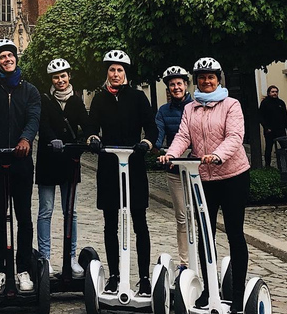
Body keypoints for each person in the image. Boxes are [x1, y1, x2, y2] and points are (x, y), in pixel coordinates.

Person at [159, 57, 249, 313]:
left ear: (218, 79)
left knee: (234, 233)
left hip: (233, 176)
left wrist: (219, 155)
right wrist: (171, 155)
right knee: (205, 235)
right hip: (205, 180)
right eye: (202, 77)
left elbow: (234, 136)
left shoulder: (232, 105)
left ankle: (239, 295)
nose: (206, 81)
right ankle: (210, 290)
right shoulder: (191, 108)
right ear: (196, 80)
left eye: (210, 77)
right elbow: (183, 136)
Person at [85, 50, 157, 296]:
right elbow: (92, 127)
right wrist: (93, 139)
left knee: (140, 221)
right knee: (110, 223)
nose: (115, 74)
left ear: (126, 74)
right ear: (107, 72)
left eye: (120, 70)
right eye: (112, 70)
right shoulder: (99, 98)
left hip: (133, 164)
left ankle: (145, 278)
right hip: (108, 165)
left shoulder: (138, 98)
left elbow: (151, 127)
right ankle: (114, 275)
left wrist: (147, 144)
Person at [0, 39, 41, 293]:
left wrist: (26, 139)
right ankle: (0, 270)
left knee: (24, 217)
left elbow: (33, 118)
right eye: (2, 57)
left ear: (15, 59)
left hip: (21, 161)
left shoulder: (30, 91)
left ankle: (23, 269)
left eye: (10, 55)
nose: (7, 59)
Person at [35, 58, 88, 277]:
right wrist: (52, 139)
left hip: (69, 162)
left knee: (71, 212)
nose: (60, 80)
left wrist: (86, 142)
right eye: (56, 77)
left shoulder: (76, 101)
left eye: (63, 76)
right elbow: (42, 124)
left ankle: (71, 257)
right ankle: (45, 258)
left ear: (69, 77)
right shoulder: (44, 100)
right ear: (51, 79)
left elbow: (87, 125)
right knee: (46, 210)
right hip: (48, 160)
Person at [155, 66, 193, 271]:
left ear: (186, 85)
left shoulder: (197, 106)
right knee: (182, 217)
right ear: (168, 88)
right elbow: (159, 135)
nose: (176, 87)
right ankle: (185, 262)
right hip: (174, 170)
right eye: (172, 85)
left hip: (198, 170)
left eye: (179, 83)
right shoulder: (163, 111)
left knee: (202, 215)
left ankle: (205, 257)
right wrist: (159, 149)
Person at [259, 85, 287, 167]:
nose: (274, 93)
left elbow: (285, 115)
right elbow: (261, 116)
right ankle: (267, 166)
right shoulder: (265, 103)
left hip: (280, 129)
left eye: (276, 92)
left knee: (285, 147)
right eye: (273, 92)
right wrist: (266, 127)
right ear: (269, 93)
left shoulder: (281, 103)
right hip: (270, 130)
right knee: (269, 149)